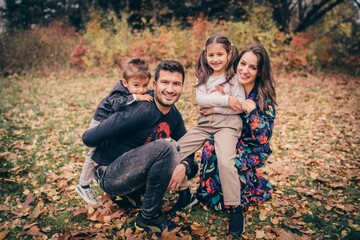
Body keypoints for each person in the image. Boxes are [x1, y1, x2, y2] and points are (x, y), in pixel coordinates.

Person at [82, 60, 197, 235]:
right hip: (110, 174)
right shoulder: (140, 110)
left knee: (189, 163)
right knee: (167, 147)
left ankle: (132, 197)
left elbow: (188, 148)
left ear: (182, 87)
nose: (170, 89)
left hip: (135, 172)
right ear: (155, 84)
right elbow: (89, 138)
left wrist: (184, 166)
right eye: (165, 82)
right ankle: (148, 219)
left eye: (176, 84)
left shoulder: (173, 114)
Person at [196, 44, 277, 236]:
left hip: (252, 147)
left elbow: (263, 137)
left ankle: (236, 207)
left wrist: (251, 111)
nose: (245, 70)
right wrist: (214, 109)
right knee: (211, 146)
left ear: (259, 72)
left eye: (252, 67)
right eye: (243, 64)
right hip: (230, 136)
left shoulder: (263, 97)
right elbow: (224, 108)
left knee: (230, 160)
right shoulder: (231, 84)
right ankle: (213, 192)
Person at [167, 35, 246, 218]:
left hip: (228, 126)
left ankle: (235, 208)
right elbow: (201, 100)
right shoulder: (203, 76)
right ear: (205, 55)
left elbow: (239, 107)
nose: (215, 59)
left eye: (220, 54)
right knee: (171, 151)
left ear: (229, 53)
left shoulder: (234, 77)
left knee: (226, 161)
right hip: (205, 124)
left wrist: (214, 109)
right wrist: (226, 100)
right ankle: (185, 193)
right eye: (211, 55)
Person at [76, 57, 153, 205]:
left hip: (111, 124)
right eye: (136, 85)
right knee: (92, 152)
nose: (141, 90)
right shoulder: (118, 91)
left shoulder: (136, 90)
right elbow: (117, 105)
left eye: (145, 86)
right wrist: (136, 97)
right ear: (125, 83)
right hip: (100, 122)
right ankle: (83, 185)